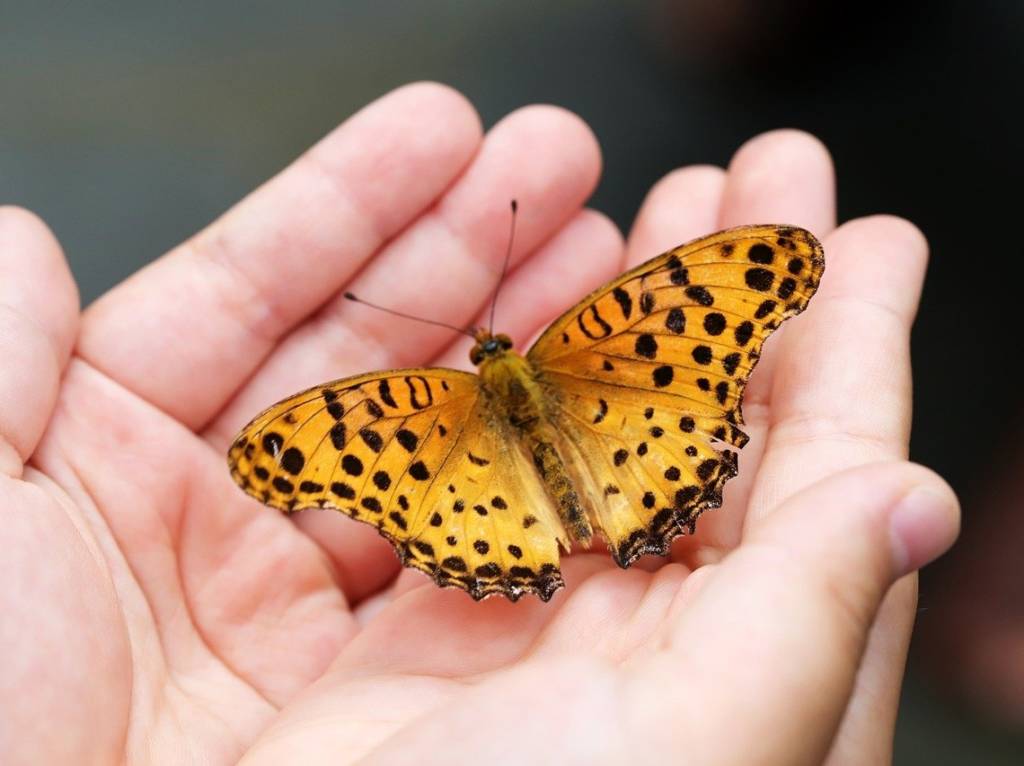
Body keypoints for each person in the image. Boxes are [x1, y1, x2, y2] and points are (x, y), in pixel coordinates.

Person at [0, 82, 959, 764]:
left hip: (482, 508)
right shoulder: (598, 335)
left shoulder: (408, 406)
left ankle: (540, 540)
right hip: (639, 446)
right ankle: (630, 514)